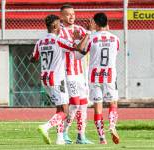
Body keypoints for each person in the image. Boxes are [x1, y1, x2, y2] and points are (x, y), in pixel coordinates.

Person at [30, 14, 76, 145]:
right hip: (57, 80)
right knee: (65, 112)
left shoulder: (40, 42)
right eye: (60, 25)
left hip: (45, 79)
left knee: (59, 109)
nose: (61, 27)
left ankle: (60, 138)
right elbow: (76, 48)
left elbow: (33, 58)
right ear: (55, 26)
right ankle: (46, 127)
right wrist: (84, 35)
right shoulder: (58, 40)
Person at [77, 12, 120, 144]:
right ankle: (112, 126)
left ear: (94, 23)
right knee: (113, 103)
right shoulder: (115, 39)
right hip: (109, 75)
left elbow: (80, 52)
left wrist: (88, 33)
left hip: (94, 76)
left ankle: (102, 138)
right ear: (107, 23)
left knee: (98, 107)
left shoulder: (91, 38)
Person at [59, 4, 93, 144]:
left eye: (73, 14)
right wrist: (84, 38)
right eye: (68, 14)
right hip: (68, 72)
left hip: (80, 72)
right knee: (74, 103)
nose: (71, 16)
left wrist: (85, 38)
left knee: (83, 104)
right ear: (61, 16)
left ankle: (81, 135)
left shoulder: (80, 29)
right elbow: (76, 48)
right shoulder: (59, 32)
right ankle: (64, 132)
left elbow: (83, 51)